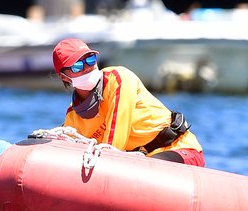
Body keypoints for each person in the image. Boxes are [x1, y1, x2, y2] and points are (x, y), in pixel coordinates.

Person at [51, 38, 205, 166]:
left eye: (90, 59)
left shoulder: (118, 79)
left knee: (143, 168)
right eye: (78, 66)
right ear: (64, 77)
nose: (87, 68)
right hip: (140, 161)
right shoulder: (73, 117)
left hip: (178, 150)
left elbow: (111, 149)